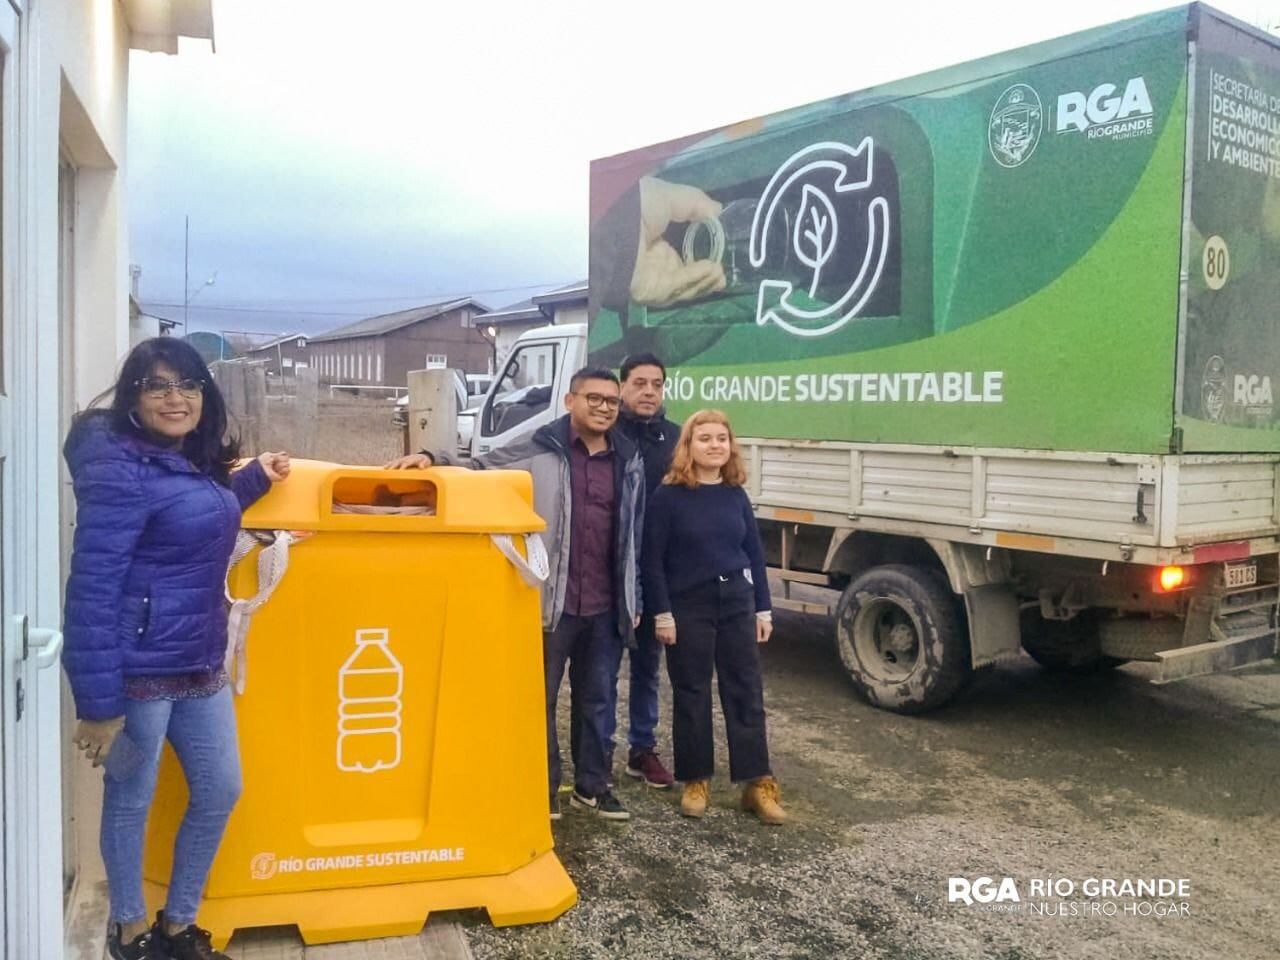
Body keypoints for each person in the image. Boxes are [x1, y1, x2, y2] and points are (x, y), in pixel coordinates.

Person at [62, 338, 290, 960]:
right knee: (131, 800)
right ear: (133, 397)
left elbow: (198, 518)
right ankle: (130, 930)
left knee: (219, 790)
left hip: (196, 660)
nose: (176, 398)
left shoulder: (183, 461)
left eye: (188, 385)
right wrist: (98, 702)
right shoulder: (119, 467)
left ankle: (178, 925)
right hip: (137, 672)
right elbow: (93, 587)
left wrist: (251, 481)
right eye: (158, 385)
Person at [384, 367, 645, 822]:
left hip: (605, 606)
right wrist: (431, 456)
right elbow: (481, 464)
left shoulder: (629, 458)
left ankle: (592, 786)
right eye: (594, 398)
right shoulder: (541, 445)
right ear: (570, 401)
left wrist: (633, 596)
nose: (604, 407)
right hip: (549, 601)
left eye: (611, 401)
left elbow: (635, 534)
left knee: (599, 700)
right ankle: (540, 789)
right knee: (536, 700)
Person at [642, 409, 785, 825]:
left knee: (745, 690)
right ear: (688, 446)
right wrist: (663, 614)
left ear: (730, 446)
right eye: (704, 438)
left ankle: (757, 782)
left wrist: (763, 607)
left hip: (736, 602)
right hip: (689, 605)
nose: (715, 445)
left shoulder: (734, 494)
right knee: (692, 691)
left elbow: (755, 555)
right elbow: (653, 562)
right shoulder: (668, 497)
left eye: (722, 438)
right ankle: (695, 779)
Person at [610, 353, 680, 789]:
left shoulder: (676, 439)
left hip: (658, 570)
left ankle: (642, 748)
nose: (649, 391)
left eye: (656, 384)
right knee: (600, 667)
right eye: (639, 383)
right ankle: (596, 752)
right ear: (622, 387)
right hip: (608, 568)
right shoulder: (605, 433)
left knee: (647, 665)